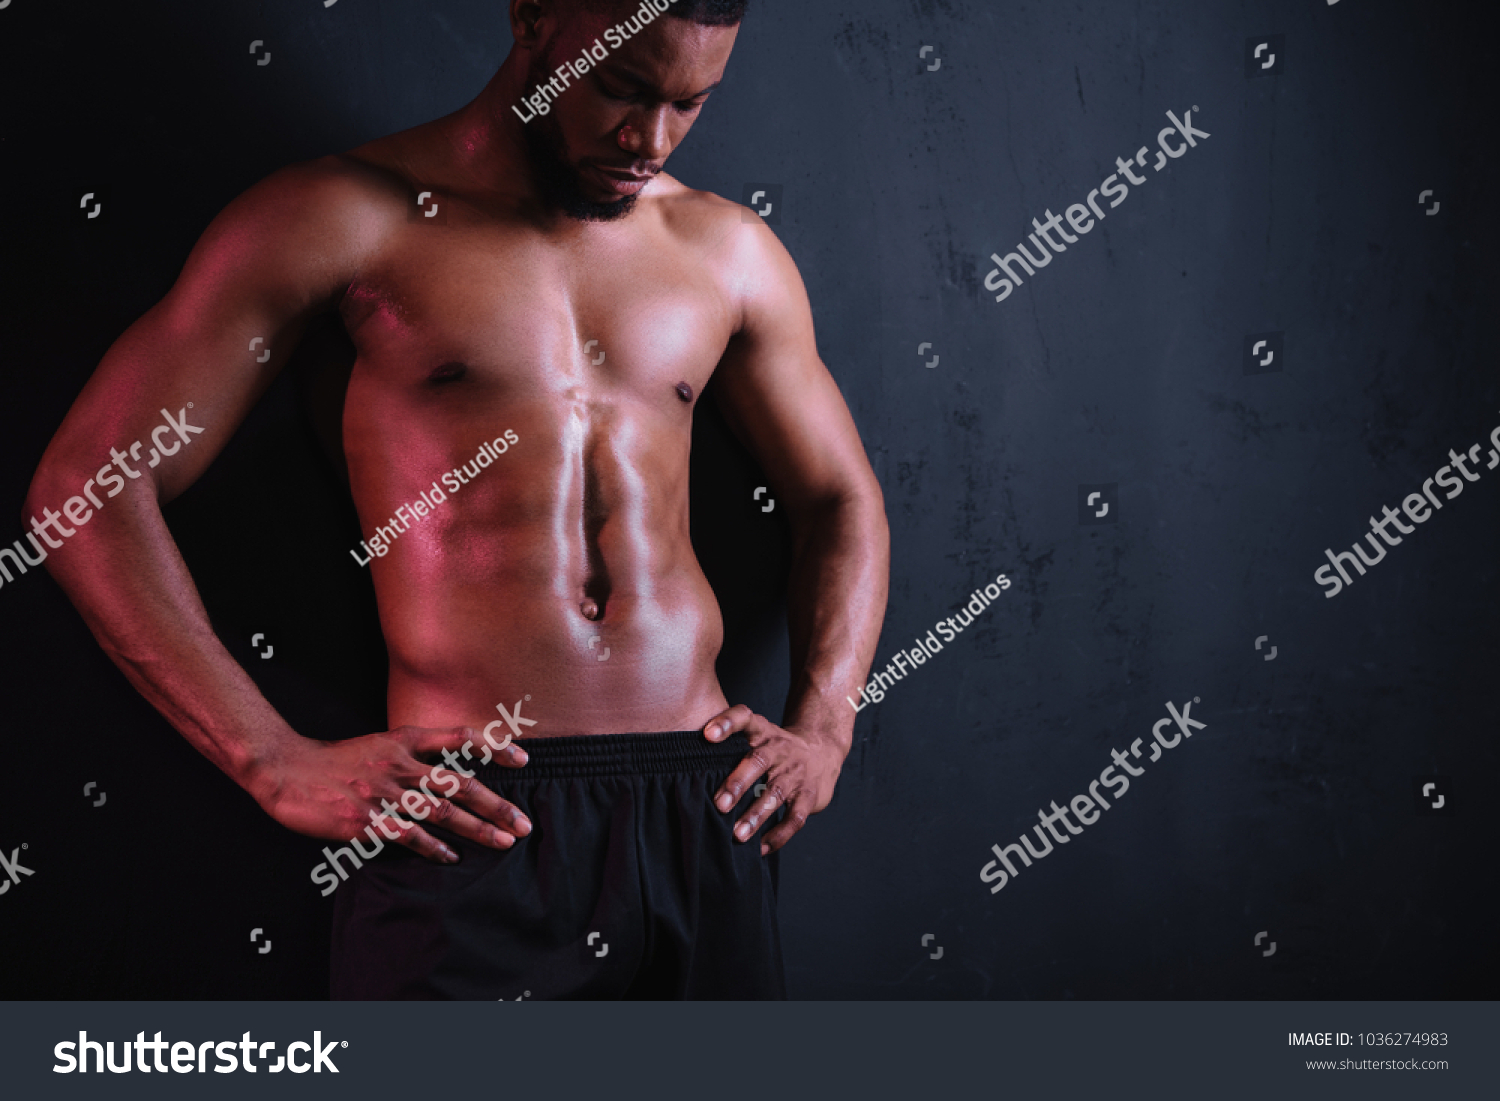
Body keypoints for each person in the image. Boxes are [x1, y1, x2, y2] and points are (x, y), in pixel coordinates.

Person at [24, 0, 889, 998]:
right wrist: (269, 757)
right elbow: (86, 485)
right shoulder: (345, 215)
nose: (648, 139)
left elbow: (838, 496)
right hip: (468, 813)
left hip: (703, 808)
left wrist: (824, 728)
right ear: (532, 16)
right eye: (621, 86)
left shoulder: (725, 251)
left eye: (690, 102)